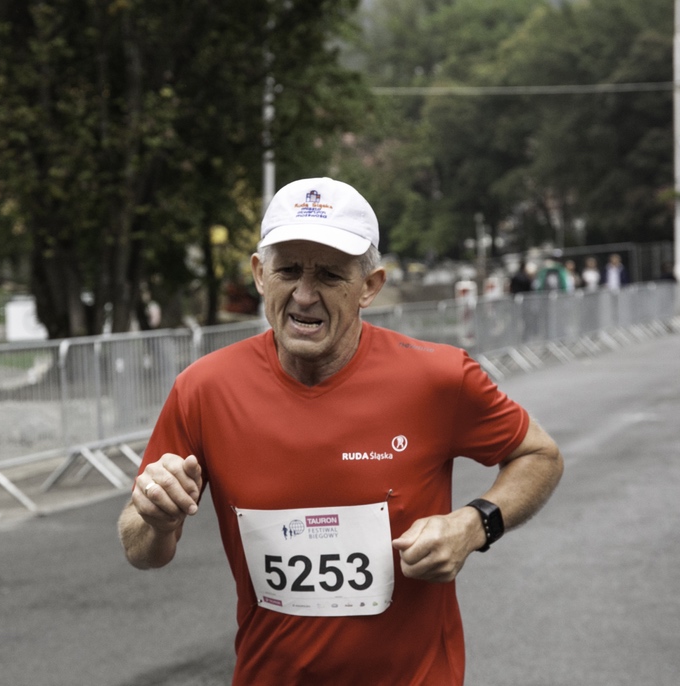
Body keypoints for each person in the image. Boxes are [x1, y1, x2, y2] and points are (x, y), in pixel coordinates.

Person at [117, 177, 564, 686]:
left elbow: (540, 456)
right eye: (288, 270)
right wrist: (155, 518)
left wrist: (475, 524)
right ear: (260, 274)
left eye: (330, 275)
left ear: (369, 286)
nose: (304, 295)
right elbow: (141, 548)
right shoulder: (204, 389)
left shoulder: (437, 377)